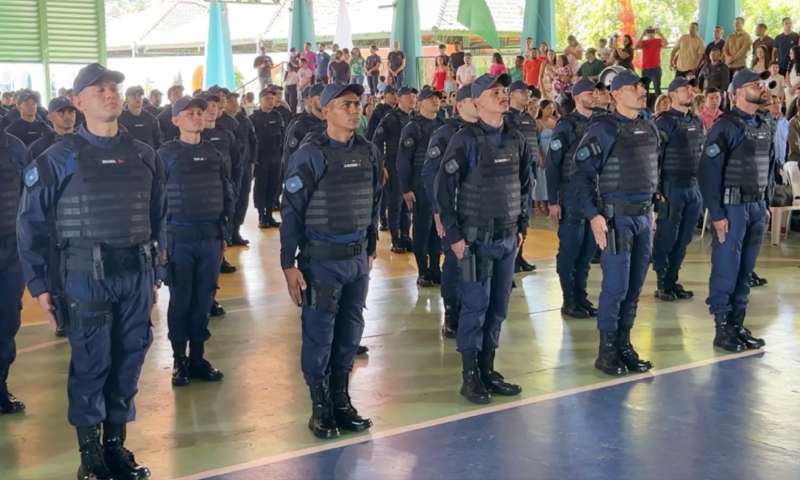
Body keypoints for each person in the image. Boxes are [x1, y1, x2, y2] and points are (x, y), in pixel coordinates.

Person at [17, 62, 160, 479]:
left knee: (129, 360)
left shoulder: (143, 154)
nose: (110, 94)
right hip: (85, 275)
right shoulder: (56, 160)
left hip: (136, 274)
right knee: (92, 364)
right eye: (98, 90)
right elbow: (31, 224)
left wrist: (155, 275)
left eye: (113, 87)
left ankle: (115, 446)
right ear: (77, 102)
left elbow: (158, 216)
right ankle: (90, 457)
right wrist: (41, 284)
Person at [280, 82, 380, 439]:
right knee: (319, 334)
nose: (354, 110)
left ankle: (341, 400)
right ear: (325, 112)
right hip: (320, 261)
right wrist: (288, 263)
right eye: (344, 105)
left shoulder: (368, 151)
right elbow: (291, 211)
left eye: (357, 103)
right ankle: (319, 407)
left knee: (350, 333)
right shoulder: (310, 154)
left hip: (356, 260)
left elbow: (374, 200)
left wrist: (371, 242)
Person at [435, 73, 530, 404]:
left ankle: (489, 368)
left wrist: (522, 227)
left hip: (506, 238)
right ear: (476, 103)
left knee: (498, 307)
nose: (502, 95)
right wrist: (455, 235)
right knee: (475, 308)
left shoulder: (515, 139)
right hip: (475, 241)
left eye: (504, 91)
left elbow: (525, 185)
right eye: (494, 92)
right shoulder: (465, 140)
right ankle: (470, 375)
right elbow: (442, 190)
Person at [574, 70, 658, 376]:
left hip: (643, 218)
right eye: (635, 87)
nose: (641, 91)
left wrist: (653, 209)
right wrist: (593, 214)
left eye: (642, 87)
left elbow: (652, 172)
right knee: (616, 287)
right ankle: (607, 351)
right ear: (616, 94)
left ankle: (624, 345)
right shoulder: (604, 129)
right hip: (616, 219)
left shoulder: (649, 127)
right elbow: (581, 174)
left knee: (634, 286)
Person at [158, 96, 233, 387]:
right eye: (188, 113)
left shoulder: (213, 153)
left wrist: (224, 234)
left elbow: (227, 192)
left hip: (210, 237)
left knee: (203, 300)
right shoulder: (165, 155)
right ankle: (180, 360)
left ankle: (198, 357)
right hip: (179, 238)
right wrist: (161, 242)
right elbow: (155, 201)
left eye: (199, 113)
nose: (196, 117)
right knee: (181, 301)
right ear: (175, 120)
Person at [698, 69, 772, 353]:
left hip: (755, 206)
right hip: (732, 207)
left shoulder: (762, 124)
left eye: (761, 83)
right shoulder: (725, 126)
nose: (761, 87)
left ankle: (737, 324)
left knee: (745, 270)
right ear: (738, 91)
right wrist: (716, 214)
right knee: (727, 268)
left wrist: (764, 204)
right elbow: (708, 171)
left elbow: (767, 167)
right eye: (755, 84)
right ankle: (723, 329)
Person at [422, 86, 478, 337]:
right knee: (455, 265)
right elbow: (431, 174)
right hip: (454, 213)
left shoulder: (488, 130)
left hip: (481, 212)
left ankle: (473, 312)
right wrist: (438, 211)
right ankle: (452, 315)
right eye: (472, 100)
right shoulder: (445, 134)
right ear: (459, 104)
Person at [545, 79, 601, 319]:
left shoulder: (602, 122)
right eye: (590, 93)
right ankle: (569, 300)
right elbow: (552, 164)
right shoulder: (566, 126)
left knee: (588, 250)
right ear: (578, 97)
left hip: (594, 194)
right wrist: (553, 200)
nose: (595, 96)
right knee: (570, 250)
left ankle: (581, 296)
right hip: (571, 195)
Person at [651, 77, 705, 302]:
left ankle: (672, 279)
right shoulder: (663, 122)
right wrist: (657, 190)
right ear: (672, 94)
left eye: (691, 89)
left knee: (684, 238)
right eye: (684, 89)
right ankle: (662, 283)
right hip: (671, 187)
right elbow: (653, 157)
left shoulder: (695, 120)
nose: (690, 92)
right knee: (667, 237)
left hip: (693, 187)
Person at [398, 88, 443, 286]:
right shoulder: (413, 127)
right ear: (421, 102)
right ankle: (422, 271)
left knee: (438, 227)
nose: (436, 101)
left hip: (439, 184)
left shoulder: (442, 125)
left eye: (438, 98)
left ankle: (435, 268)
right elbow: (403, 160)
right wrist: (406, 188)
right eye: (431, 98)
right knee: (422, 227)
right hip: (420, 184)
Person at [0, 124, 27, 415]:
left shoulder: (15, 147)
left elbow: (27, 196)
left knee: (7, 323)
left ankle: (0, 387)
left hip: (10, 249)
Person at [372, 86, 417, 252]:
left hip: (410, 165)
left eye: (413, 96)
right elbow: (376, 140)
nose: (412, 99)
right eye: (408, 96)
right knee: (396, 203)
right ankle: (396, 238)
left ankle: (406, 236)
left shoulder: (415, 117)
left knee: (408, 203)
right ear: (399, 98)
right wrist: (381, 164)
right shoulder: (390, 118)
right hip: (393, 163)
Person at [505, 81, 539, 274]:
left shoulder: (528, 117)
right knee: (514, 214)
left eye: (528, 91)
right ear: (511, 94)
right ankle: (512, 258)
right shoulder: (507, 118)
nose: (527, 94)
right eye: (522, 91)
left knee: (525, 214)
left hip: (530, 170)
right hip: (514, 171)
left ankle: (520, 256)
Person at [225, 91, 258, 246]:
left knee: (243, 199)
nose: (234, 103)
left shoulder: (244, 121)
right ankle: (226, 233)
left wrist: (252, 163)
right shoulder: (220, 122)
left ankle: (235, 231)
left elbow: (253, 142)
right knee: (230, 200)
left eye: (235, 100)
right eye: (230, 101)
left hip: (244, 167)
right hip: (228, 169)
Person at [250, 87, 285, 228]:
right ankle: (261, 216)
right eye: (267, 99)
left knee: (274, 186)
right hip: (261, 158)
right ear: (260, 100)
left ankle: (270, 215)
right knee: (261, 187)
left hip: (275, 157)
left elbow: (282, 135)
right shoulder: (253, 118)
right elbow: (251, 140)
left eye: (272, 98)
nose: (271, 101)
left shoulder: (277, 116)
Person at [283, 84, 326, 166]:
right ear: (310, 100)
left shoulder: (332, 124)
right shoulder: (301, 125)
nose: (325, 101)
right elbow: (290, 157)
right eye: (320, 97)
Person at [28, 97, 77, 161]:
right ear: (49, 117)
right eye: (61, 113)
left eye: (71, 112)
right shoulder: (39, 147)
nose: (67, 116)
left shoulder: (85, 141)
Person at [638, 27, 667, 96]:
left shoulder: (658, 41)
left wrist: (660, 33)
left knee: (657, 89)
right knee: (645, 90)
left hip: (655, 69)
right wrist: (642, 35)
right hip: (645, 69)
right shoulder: (644, 42)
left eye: (652, 31)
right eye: (649, 31)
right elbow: (636, 46)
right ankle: (646, 105)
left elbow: (666, 44)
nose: (650, 33)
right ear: (646, 33)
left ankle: (659, 105)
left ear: (654, 33)